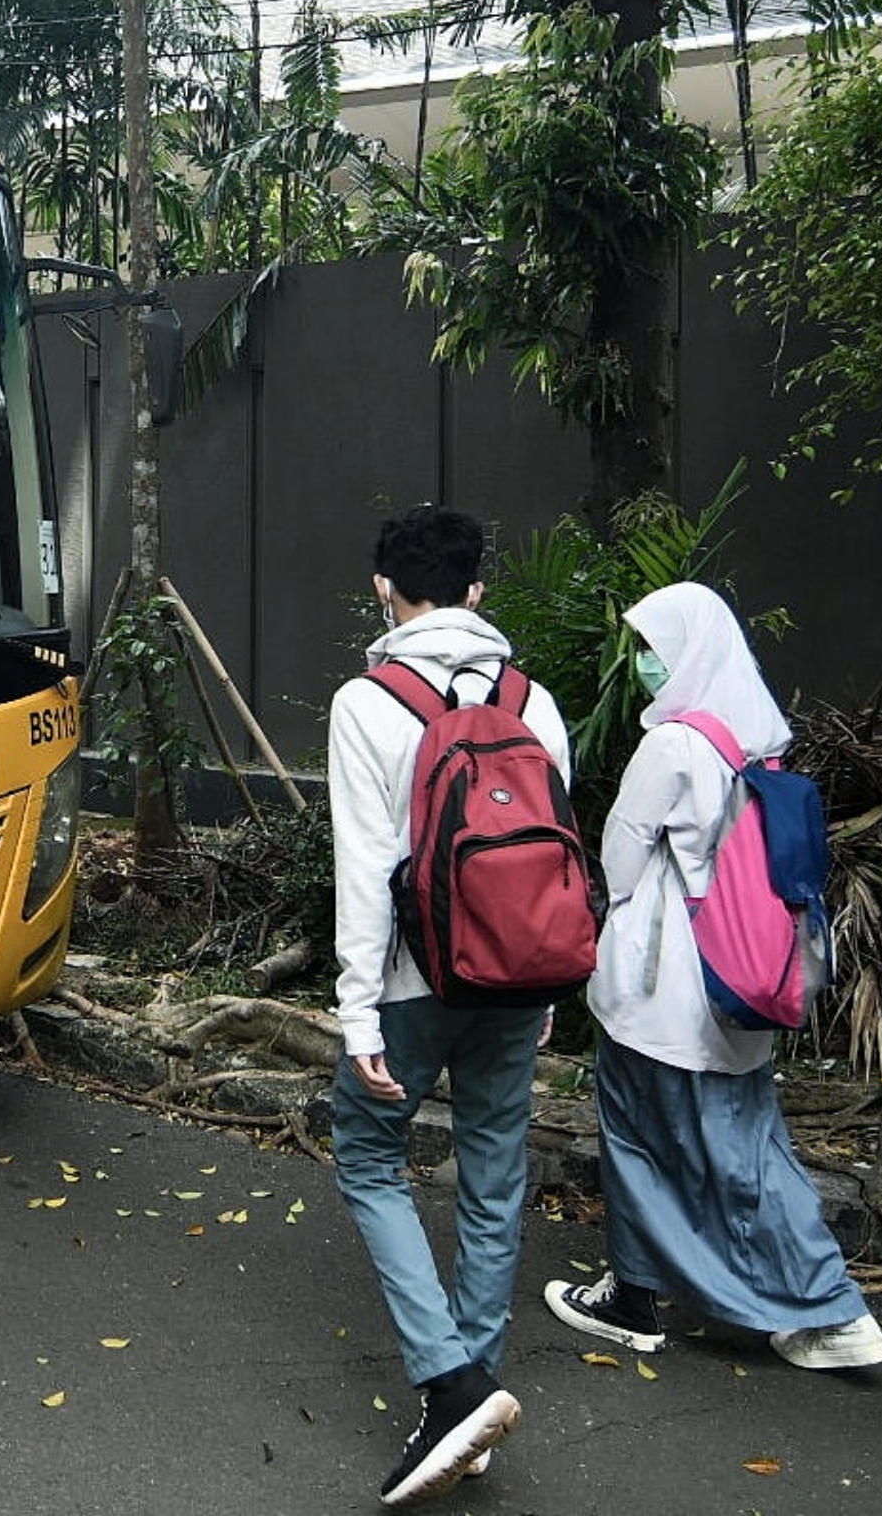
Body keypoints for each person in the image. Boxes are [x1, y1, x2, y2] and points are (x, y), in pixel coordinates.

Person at [539, 581, 882, 1373]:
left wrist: (615, 921)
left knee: (645, 1138)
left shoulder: (674, 744)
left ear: (688, 654)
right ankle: (659, 1289)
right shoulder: (760, 737)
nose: (639, 664)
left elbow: (622, 857)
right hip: (744, 976)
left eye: (652, 651)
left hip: (664, 988)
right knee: (742, 1143)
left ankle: (822, 1306)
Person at [327, 504, 571, 1506]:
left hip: (413, 981)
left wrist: (355, 1013)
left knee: (372, 1155)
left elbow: (366, 867)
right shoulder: (536, 697)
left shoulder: (367, 699)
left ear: (386, 588)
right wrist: (550, 984)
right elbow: (558, 847)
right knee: (495, 1172)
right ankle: (469, 1403)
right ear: (479, 589)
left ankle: (451, 1380)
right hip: (520, 975)